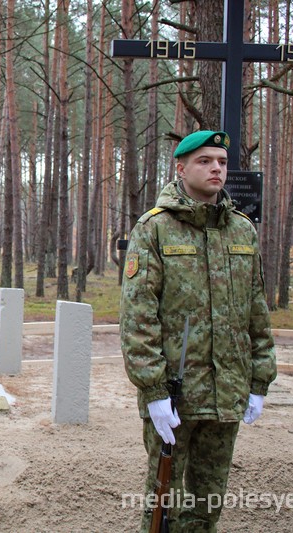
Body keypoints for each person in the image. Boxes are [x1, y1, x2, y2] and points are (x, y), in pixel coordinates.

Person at [120, 130, 277, 532]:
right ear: (181, 167)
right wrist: (153, 390)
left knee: (208, 503)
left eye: (222, 162)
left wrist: (260, 379)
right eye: (205, 161)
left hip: (227, 391)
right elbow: (138, 318)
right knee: (162, 501)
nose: (216, 169)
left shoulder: (242, 230)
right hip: (176, 394)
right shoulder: (154, 228)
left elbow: (256, 311)